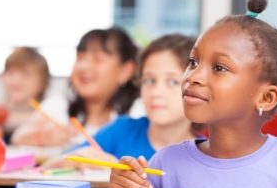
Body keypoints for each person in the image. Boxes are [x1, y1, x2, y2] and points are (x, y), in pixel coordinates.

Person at [107, 0, 277, 188]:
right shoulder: (164, 164)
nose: (192, 76)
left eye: (219, 68)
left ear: (266, 98)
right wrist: (127, 187)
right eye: (193, 62)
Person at [43, 34, 201, 168]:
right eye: (149, 81)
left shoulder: (206, 149)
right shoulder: (121, 130)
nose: (156, 92)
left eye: (172, 82)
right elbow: (50, 166)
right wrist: (81, 157)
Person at [11, 28, 140, 147]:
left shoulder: (137, 113)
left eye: (97, 59)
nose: (83, 66)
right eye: (80, 58)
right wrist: (42, 137)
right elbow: (17, 138)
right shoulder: (59, 105)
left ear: (125, 70)